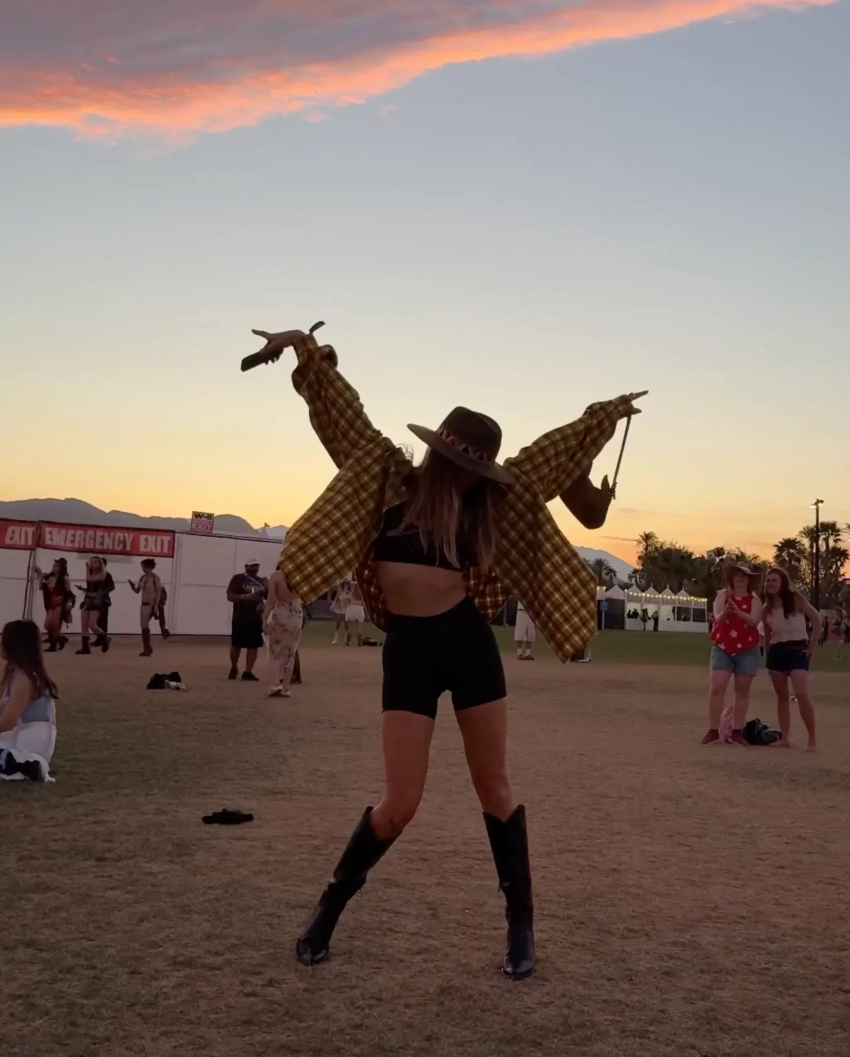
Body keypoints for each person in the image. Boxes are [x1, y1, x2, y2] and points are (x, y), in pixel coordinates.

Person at [248, 324, 644, 979]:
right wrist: (305, 351)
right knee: (399, 802)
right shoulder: (385, 477)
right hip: (408, 650)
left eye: (477, 469)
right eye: (461, 464)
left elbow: (551, 456)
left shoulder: (490, 503)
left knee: (495, 786)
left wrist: (605, 416)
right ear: (438, 453)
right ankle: (328, 908)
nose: (467, 477)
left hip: (468, 645)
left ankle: (520, 925)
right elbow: (341, 412)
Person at [702, 563, 763, 746]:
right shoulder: (722, 596)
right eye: (737, 575)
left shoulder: (755, 600)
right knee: (716, 688)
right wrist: (726, 613)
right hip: (723, 647)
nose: (741, 578)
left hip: (747, 649)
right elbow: (717, 619)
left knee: (742, 691)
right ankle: (713, 731)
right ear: (731, 578)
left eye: (744, 576)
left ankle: (737, 731)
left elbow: (754, 621)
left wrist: (739, 612)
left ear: (749, 580)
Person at [762, 568, 820, 752]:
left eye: (774, 580)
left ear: (783, 583)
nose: (770, 583)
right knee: (782, 697)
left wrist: (813, 644)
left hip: (797, 650)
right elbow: (767, 634)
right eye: (768, 580)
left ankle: (812, 739)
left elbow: (817, 619)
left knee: (801, 694)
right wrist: (767, 653)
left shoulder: (796, 600)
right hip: (777, 652)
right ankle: (785, 738)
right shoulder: (766, 608)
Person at [0, 620, 57, 782]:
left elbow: (8, 722)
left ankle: (26, 764)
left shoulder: (26, 679)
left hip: (32, 737)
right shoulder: (11, 672)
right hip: (18, 732)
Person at [263, 565, 304, 697]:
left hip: (281, 613)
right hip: (296, 614)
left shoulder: (276, 576)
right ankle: (286, 687)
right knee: (290, 652)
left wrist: (264, 618)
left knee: (275, 650)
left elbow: (271, 599)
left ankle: (276, 684)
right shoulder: (300, 576)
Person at [226, 559, 267, 681]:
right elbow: (229, 596)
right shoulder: (237, 579)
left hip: (255, 618)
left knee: (253, 646)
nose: (254, 568)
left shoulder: (261, 581)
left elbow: (267, 596)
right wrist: (244, 597)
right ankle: (234, 667)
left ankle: (248, 672)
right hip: (240, 616)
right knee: (236, 645)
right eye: (252, 566)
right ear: (246, 566)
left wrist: (268, 587)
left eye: (256, 566)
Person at [129, 558, 163, 657]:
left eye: (144, 567)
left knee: (144, 625)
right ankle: (147, 647)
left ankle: (147, 648)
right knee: (143, 625)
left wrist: (156, 606)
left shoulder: (155, 578)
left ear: (149, 567)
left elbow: (158, 593)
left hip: (151, 604)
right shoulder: (142, 578)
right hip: (143, 604)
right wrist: (132, 586)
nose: (143, 569)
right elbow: (137, 591)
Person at [76, 556, 109, 655]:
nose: (92, 564)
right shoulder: (90, 573)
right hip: (87, 599)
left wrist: (87, 569)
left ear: (99, 564)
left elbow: (89, 580)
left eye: (95, 562)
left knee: (92, 624)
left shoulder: (102, 574)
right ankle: (85, 647)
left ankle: (104, 638)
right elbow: (89, 584)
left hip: (96, 601)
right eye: (91, 562)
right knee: (84, 623)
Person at [39, 558, 72, 652]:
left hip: (59, 603)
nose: (54, 567)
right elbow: (41, 587)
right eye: (54, 565)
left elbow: (69, 592)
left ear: (61, 567)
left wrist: (69, 603)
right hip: (50, 604)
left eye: (56, 566)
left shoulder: (65, 578)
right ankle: (60, 639)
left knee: (54, 624)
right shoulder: (50, 578)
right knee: (47, 625)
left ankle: (53, 646)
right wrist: (41, 576)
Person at [91, 558, 116, 653]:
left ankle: (103, 639)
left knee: (103, 621)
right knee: (96, 621)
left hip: (103, 601)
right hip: (94, 600)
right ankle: (99, 639)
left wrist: (103, 592)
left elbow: (112, 587)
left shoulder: (107, 575)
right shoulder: (94, 575)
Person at [345, 579, 366, 647]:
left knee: (350, 627)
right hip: (359, 608)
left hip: (351, 608)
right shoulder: (362, 595)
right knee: (359, 627)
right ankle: (359, 642)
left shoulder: (351, 594)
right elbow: (364, 603)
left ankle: (348, 641)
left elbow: (344, 598)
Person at [330, 580, 352, 644]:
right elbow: (336, 598)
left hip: (346, 608)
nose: (346, 585)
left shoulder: (350, 591)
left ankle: (347, 640)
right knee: (338, 623)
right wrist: (337, 603)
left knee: (346, 624)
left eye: (347, 584)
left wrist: (347, 600)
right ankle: (335, 639)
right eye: (345, 584)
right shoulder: (339, 590)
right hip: (340, 608)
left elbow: (350, 600)